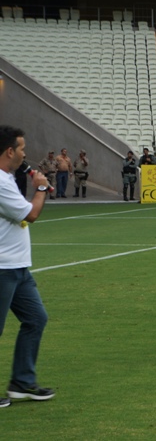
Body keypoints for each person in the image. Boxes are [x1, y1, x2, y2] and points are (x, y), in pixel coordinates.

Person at [0, 125, 56, 408]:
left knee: (36, 318)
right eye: (22, 148)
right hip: (2, 267)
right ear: (10, 151)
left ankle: (22, 382)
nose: (25, 153)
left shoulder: (7, 178)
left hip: (17, 266)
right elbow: (30, 214)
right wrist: (42, 189)